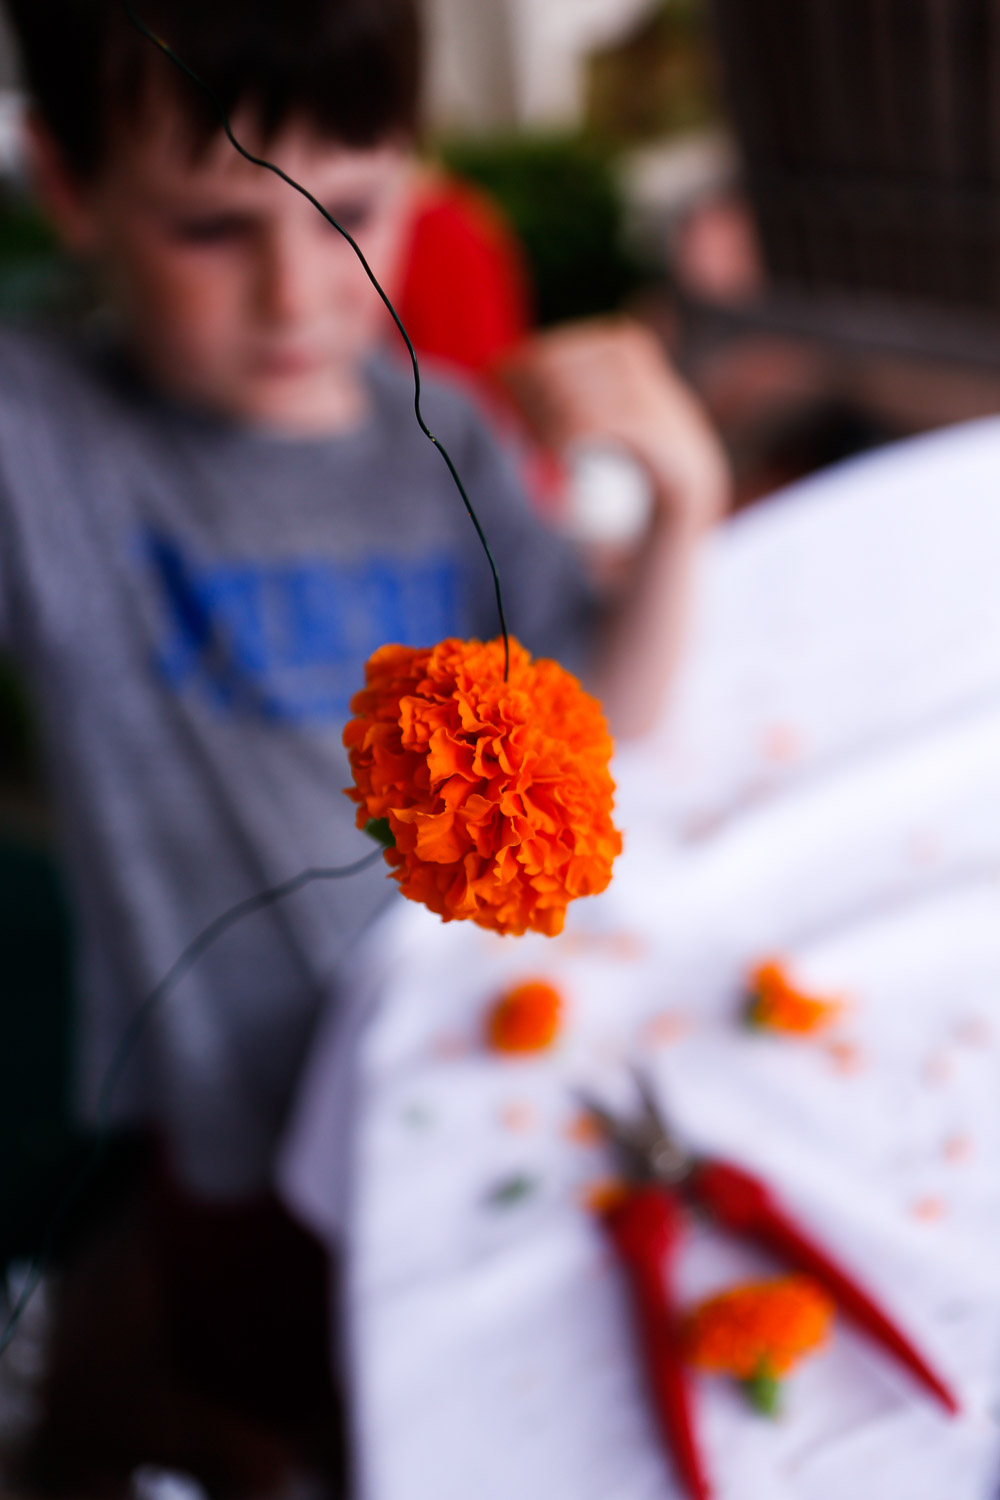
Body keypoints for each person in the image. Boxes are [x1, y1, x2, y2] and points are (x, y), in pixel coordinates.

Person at [0, 0, 728, 1489]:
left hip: (480, 1084)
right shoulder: (51, 439)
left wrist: (681, 520)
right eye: (213, 227)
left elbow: (612, 723)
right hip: (235, 1136)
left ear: (420, 174)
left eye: (356, 210)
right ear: (68, 194)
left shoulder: (445, 433)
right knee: (296, 1429)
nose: (297, 288)